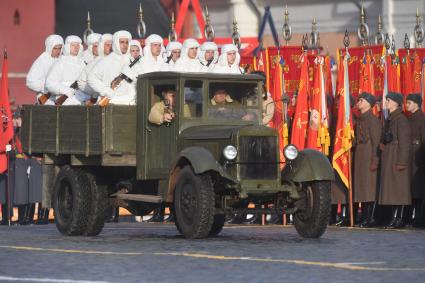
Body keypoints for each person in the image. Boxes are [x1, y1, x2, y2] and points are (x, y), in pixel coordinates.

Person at [380, 92, 411, 228]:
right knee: (392, 189)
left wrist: (402, 162)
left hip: (397, 156)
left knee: (399, 189)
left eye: (388, 100)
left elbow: (405, 142)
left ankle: (399, 219)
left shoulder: (401, 119)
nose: (386, 102)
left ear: (396, 103)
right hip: (390, 155)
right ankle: (393, 218)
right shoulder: (390, 118)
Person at [353, 92, 381, 227]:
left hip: (369, 153)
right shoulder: (360, 119)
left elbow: (377, 142)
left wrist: (375, 160)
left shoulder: (373, 120)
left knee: (369, 188)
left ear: (369, 104)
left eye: (362, 100)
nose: (359, 102)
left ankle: (369, 218)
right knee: (361, 187)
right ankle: (364, 217)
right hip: (360, 154)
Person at [88, 30, 132, 104]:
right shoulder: (106, 61)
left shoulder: (129, 61)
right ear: (116, 43)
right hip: (112, 102)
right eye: (122, 42)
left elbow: (133, 82)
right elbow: (91, 79)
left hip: (129, 101)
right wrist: (106, 91)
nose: (125, 45)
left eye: (127, 42)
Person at [45, 35, 85, 105]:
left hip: (81, 99)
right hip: (65, 101)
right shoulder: (60, 62)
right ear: (67, 47)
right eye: (73, 45)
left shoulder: (83, 63)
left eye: (78, 45)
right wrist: (66, 90)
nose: (76, 48)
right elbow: (50, 83)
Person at [26, 34, 64, 104]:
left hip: (61, 99)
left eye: (60, 48)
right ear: (49, 47)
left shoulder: (62, 59)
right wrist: (47, 87)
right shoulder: (42, 60)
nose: (58, 51)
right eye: (55, 48)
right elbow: (30, 82)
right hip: (48, 101)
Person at [406, 93, 425, 227]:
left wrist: (422, 160)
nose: (407, 105)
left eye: (410, 103)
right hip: (410, 155)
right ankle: (410, 217)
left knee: (418, 190)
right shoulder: (409, 118)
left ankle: (419, 218)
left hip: (418, 157)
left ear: (417, 104)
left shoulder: (421, 118)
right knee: (411, 189)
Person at [78, 33, 113, 105]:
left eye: (112, 45)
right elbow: (81, 83)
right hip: (99, 98)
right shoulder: (95, 62)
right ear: (102, 46)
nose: (110, 48)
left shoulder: (117, 61)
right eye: (107, 45)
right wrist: (98, 92)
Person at [109, 39, 143, 105]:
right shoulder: (123, 63)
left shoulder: (142, 63)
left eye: (137, 50)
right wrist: (124, 76)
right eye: (132, 51)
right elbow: (115, 83)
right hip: (124, 93)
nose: (135, 53)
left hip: (136, 93)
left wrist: (128, 76)